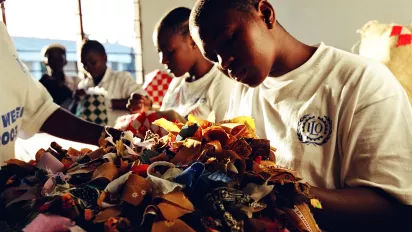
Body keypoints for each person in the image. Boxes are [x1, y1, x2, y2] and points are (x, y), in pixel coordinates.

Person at [189, 0, 412, 231]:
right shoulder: (242, 94)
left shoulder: (360, 82)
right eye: (213, 58)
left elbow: (393, 209)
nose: (224, 62)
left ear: (266, 14)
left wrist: (278, 191)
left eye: (228, 41)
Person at [0, 21, 121, 167]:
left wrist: (104, 135)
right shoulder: (44, 82)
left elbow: (42, 112)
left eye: (60, 57)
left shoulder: (2, 34)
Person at [154, 7, 236, 122]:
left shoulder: (223, 82)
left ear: (193, 41)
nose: (162, 60)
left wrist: (181, 126)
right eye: (159, 52)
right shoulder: (177, 83)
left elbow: (227, 136)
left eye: (169, 52)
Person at [77, 40, 148, 126]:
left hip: (119, 135)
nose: (88, 68)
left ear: (105, 58)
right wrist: (77, 101)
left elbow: (145, 101)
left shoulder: (122, 78)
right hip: (91, 135)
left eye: (93, 63)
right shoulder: (84, 85)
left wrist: (103, 102)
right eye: (84, 64)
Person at [39, 44, 80, 113]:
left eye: (59, 58)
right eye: (52, 58)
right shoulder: (41, 85)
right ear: (45, 62)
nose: (56, 62)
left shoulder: (76, 82)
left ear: (65, 61)